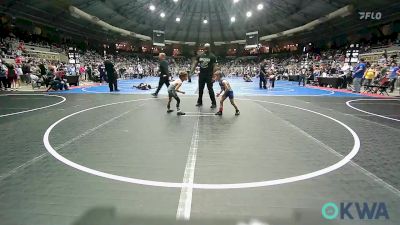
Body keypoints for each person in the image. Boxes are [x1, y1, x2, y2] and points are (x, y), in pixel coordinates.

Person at [190, 43, 217, 108]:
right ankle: (199, 102)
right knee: (200, 89)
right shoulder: (200, 55)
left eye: (207, 47)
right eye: (205, 47)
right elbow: (195, 63)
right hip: (201, 74)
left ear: (209, 48)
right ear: (204, 48)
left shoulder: (212, 56)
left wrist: (213, 76)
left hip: (209, 75)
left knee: (210, 89)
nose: (206, 48)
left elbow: (215, 67)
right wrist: (191, 71)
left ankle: (214, 103)